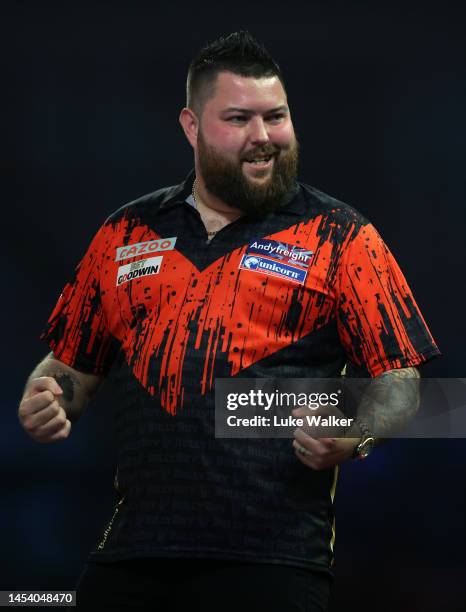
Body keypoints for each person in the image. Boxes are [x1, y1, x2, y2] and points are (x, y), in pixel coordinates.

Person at [18, 31, 440, 611]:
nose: (264, 137)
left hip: (274, 563)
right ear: (191, 127)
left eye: (277, 117)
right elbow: (71, 365)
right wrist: (48, 394)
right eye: (240, 118)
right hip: (132, 554)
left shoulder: (342, 236)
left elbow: (404, 383)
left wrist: (355, 434)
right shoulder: (125, 233)